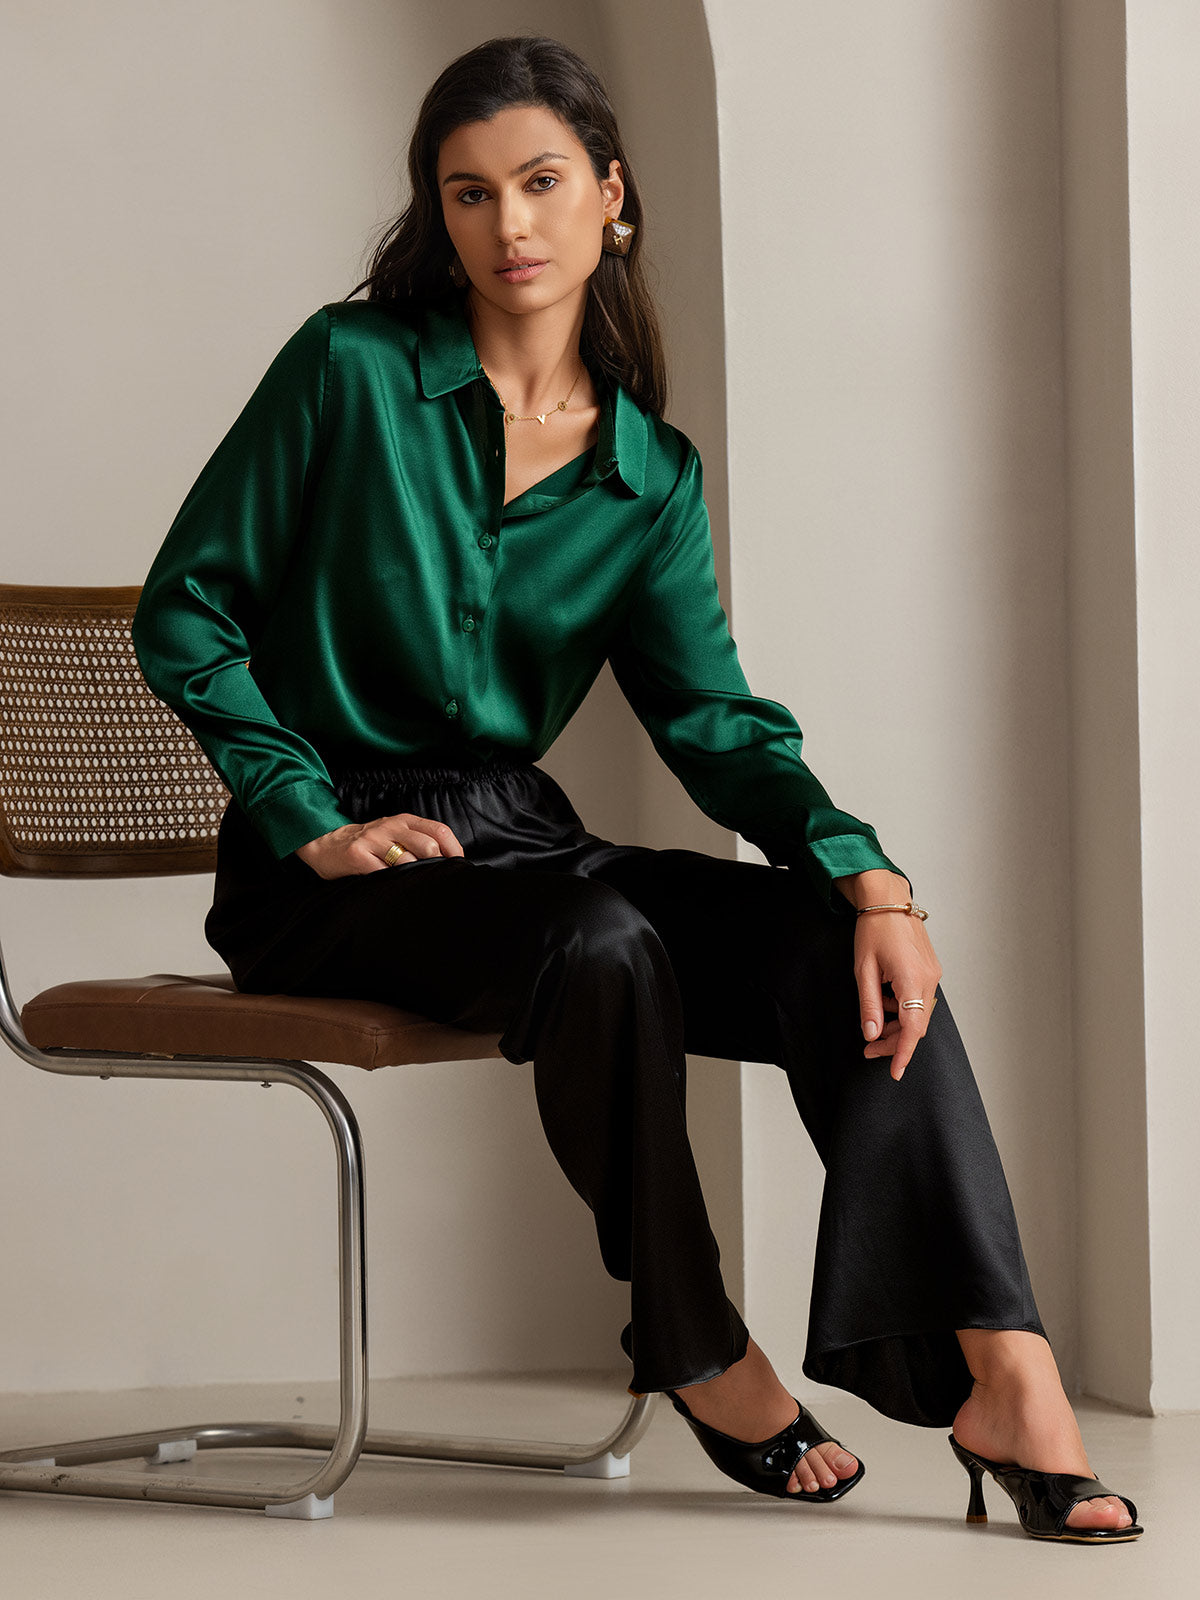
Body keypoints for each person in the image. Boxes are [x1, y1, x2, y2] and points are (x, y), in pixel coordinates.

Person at [131, 34, 1140, 1544]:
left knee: (845, 952)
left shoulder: (647, 475)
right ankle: (695, 1340)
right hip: (322, 873)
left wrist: (870, 876)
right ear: (440, 214)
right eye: (469, 194)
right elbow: (187, 610)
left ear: (613, 195)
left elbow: (714, 724)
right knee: (599, 941)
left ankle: (1007, 1368)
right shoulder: (349, 369)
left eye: (541, 183)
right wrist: (309, 817)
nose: (508, 225)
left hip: (515, 844)